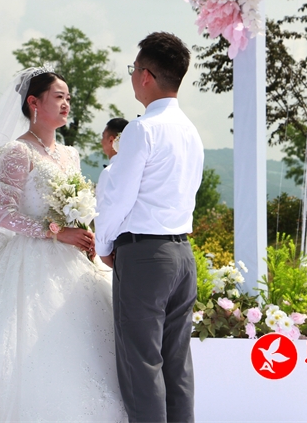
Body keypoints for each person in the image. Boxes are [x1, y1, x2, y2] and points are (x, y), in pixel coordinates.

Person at [0, 67, 127, 421]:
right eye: (59, 96)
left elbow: (77, 206)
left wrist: (83, 233)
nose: (67, 104)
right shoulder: (16, 151)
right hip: (28, 264)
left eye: (68, 97)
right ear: (34, 102)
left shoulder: (71, 154)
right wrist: (56, 232)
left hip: (73, 260)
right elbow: (4, 214)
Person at [94, 32, 204, 422]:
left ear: (145, 75)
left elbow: (118, 197)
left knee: (141, 365)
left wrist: (103, 245)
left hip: (145, 255)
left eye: (133, 69)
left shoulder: (143, 129)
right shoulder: (191, 131)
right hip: (182, 253)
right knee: (177, 363)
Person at [96, 117, 129, 210]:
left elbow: (102, 209)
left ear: (111, 140)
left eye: (103, 136)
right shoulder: (135, 169)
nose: (101, 141)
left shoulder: (109, 172)